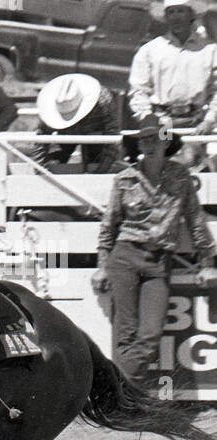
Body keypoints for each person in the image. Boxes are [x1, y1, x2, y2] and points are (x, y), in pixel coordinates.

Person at [92, 115, 217, 388]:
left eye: (154, 139)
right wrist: (102, 263)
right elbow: (109, 224)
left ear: (165, 142)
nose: (148, 144)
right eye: (144, 139)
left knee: (149, 334)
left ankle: (116, 393)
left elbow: (196, 220)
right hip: (124, 256)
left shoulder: (180, 176)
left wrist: (207, 261)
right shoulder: (125, 178)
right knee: (125, 334)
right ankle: (125, 398)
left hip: (158, 261)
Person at [128, 0, 217, 142]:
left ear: (191, 15)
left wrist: (209, 120)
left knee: (195, 162)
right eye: (171, 12)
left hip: (198, 123)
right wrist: (148, 119)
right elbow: (139, 89)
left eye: (181, 11)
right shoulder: (150, 50)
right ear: (166, 17)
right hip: (162, 123)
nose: (176, 17)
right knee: (166, 159)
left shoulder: (210, 50)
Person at [30, 73, 120, 173]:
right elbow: (41, 139)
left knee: (96, 161)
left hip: (96, 133)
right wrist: (41, 170)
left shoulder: (103, 101)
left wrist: (101, 171)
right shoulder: (49, 109)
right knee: (55, 162)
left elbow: (113, 137)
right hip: (64, 134)